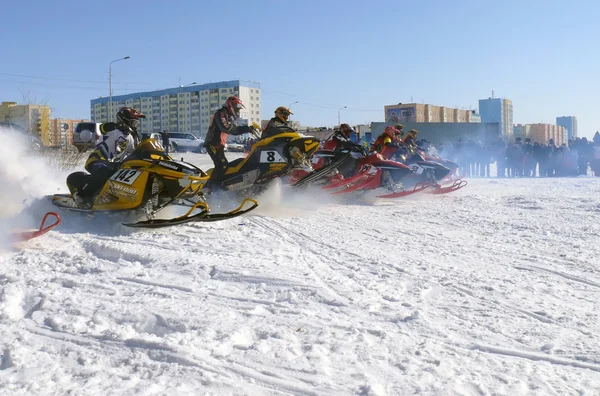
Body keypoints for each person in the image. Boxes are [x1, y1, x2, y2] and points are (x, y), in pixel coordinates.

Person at [68, 107, 146, 208]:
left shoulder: (129, 137)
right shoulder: (114, 130)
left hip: (114, 165)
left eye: (136, 123)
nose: (135, 125)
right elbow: (102, 128)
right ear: (125, 121)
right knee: (103, 172)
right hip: (98, 160)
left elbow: (134, 152)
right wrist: (115, 125)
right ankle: (82, 196)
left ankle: (122, 202)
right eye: (133, 122)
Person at [203, 96, 254, 192]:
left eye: (238, 108)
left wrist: (248, 129)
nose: (237, 110)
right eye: (236, 107)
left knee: (225, 166)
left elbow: (234, 129)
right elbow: (225, 128)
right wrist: (245, 129)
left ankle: (219, 185)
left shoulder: (227, 115)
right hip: (213, 143)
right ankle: (209, 187)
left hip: (218, 144)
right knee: (222, 166)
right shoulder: (221, 113)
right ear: (231, 105)